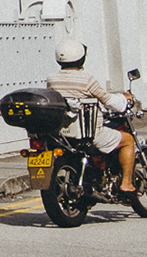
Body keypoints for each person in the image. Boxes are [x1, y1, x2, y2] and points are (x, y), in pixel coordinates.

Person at [47, 39, 135, 194]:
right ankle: (126, 183)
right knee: (128, 140)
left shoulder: (52, 79)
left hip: (63, 134)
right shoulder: (86, 79)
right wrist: (124, 99)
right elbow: (108, 100)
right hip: (89, 134)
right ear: (81, 58)